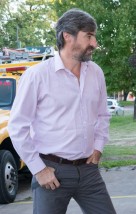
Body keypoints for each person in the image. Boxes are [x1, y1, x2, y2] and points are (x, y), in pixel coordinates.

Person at [8, 8, 116, 214]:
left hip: (89, 170)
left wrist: (99, 145)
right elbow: (17, 126)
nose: (94, 44)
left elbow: (102, 115)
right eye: (89, 36)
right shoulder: (37, 75)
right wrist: (39, 170)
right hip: (52, 172)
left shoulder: (96, 72)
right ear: (67, 36)